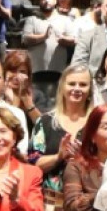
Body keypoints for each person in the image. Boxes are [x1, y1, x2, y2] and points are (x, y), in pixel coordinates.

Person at [31, 66, 95, 198]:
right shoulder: (44, 122)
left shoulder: (98, 123)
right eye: (72, 84)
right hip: (50, 201)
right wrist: (58, 157)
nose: (77, 88)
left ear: (90, 90)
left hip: (88, 200)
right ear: (62, 87)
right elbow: (33, 165)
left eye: (83, 85)